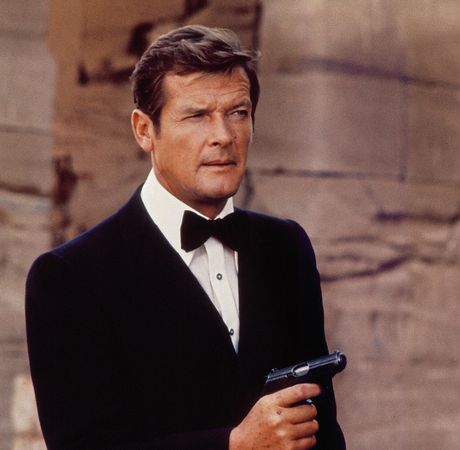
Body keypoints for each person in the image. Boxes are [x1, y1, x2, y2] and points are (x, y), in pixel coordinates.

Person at [26, 25, 345, 450]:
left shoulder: (286, 247)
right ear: (144, 130)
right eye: (197, 116)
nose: (224, 136)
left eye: (238, 112)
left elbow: (324, 430)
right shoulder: (68, 278)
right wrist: (233, 445)